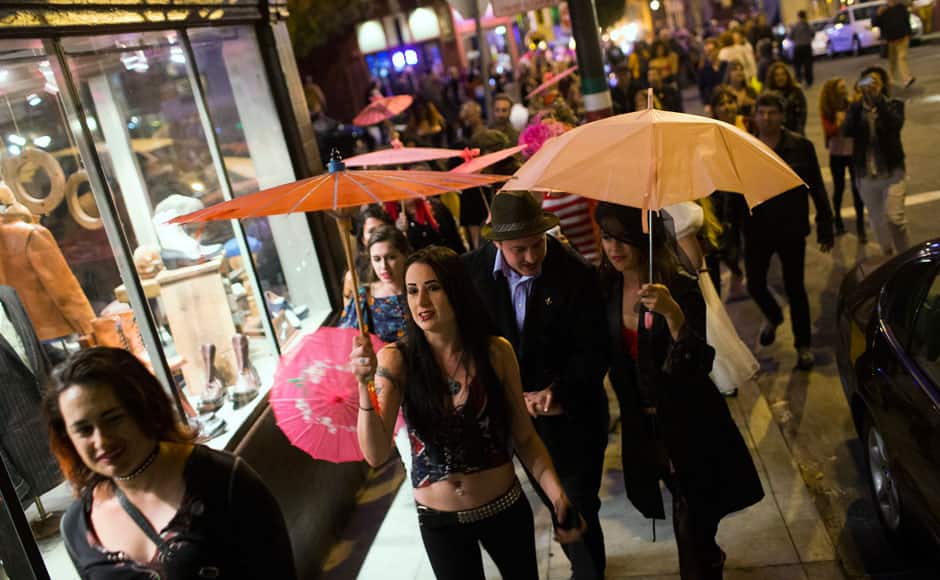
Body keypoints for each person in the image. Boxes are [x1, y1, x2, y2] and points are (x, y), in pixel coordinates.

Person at [350, 247, 583, 579]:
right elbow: (374, 453)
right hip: (440, 523)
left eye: (433, 288)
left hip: (503, 509)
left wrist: (558, 496)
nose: (422, 302)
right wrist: (364, 385)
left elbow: (525, 438)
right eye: (413, 290)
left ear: (456, 291)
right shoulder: (397, 360)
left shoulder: (495, 353)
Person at [595, 203, 763, 580]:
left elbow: (699, 363)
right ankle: (709, 555)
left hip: (691, 425)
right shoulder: (605, 287)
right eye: (606, 237)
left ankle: (706, 565)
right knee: (688, 514)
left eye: (623, 238)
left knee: (691, 524)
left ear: (644, 238)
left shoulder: (680, 287)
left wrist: (674, 317)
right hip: (644, 429)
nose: (613, 248)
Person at [46, 347, 296, 579]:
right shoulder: (77, 526)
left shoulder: (224, 481)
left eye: (113, 419)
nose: (101, 440)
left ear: (145, 407)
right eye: (83, 430)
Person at [461, 191, 610, 579]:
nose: (531, 257)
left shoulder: (575, 274)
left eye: (536, 244)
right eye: (518, 249)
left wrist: (557, 393)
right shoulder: (468, 275)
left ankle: (589, 573)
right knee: (548, 498)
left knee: (576, 501)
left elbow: (595, 349)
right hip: (510, 416)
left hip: (571, 413)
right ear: (496, 243)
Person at [746, 92, 834, 370]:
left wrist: (825, 223)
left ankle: (803, 345)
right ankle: (774, 315)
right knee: (755, 284)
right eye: (762, 112)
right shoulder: (747, 147)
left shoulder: (800, 146)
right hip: (757, 229)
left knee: (795, 288)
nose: (767, 118)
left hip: (790, 227)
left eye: (772, 112)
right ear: (755, 116)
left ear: (782, 116)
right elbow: (735, 192)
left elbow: (816, 188)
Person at [664, 201, 759, 396]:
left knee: (703, 329)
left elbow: (693, 262)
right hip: (687, 286)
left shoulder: (673, 207)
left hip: (687, 288)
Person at [842, 67, 910, 255]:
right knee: (878, 221)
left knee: (894, 219)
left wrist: (879, 100)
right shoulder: (855, 108)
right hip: (866, 174)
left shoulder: (893, 104)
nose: (871, 86)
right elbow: (846, 131)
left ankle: (906, 256)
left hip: (892, 172)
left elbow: (895, 125)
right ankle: (888, 255)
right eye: (867, 82)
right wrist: (856, 105)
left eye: (876, 82)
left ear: (883, 85)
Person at [340, 225, 411, 343]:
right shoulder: (364, 296)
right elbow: (347, 341)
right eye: (377, 259)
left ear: (405, 255)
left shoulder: (420, 287)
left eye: (391, 257)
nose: (384, 267)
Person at [820, 77, 866, 241]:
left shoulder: (850, 104)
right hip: (837, 153)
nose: (845, 89)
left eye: (845, 86)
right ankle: (837, 219)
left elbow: (858, 124)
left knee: (857, 189)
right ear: (834, 90)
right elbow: (829, 130)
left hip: (852, 151)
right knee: (839, 188)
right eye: (841, 87)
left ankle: (861, 224)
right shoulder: (827, 108)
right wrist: (842, 123)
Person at [345, 206, 395, 299]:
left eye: (381, 229)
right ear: (363, 239)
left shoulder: (402, 264)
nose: (377, 234)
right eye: (371, 231)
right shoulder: (353, 277)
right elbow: (349, 311)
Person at [873, 0, 915, 88]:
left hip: (903, 38)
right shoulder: (883, 10)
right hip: (891, 40)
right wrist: (878, 14)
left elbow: (907, 20)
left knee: (902, 57)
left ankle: (906, 78)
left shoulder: (901, 7)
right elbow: (875, 23)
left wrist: (908, 33)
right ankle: (891, 79)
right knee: (892, 61)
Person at [765, 62, 808, 135]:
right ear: (772, 78)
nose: (780, 78)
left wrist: (799, 132)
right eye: (777, 75)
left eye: (783, 74)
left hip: (795, 133)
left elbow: (802, 114)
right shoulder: (768, 94)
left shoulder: (796, 91)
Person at [697, 39, 727, 113]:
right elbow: (702, 88)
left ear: (718, 50)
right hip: (713, 100)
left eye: (712, 50)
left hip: (727, 97)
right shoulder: (703, 68)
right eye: (707, 51)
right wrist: (706, 103)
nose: (709, 54)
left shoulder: (725, 64)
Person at [789, 10, 815, 87]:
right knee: (808, 65)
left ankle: (799, 79)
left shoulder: (795, 25)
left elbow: (790, 36)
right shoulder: (807, 25)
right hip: (806, 47)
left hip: (798, 47)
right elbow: (813, 33)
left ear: (798, 16)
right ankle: (808, 81)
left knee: (797, 65)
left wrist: (797, 40)